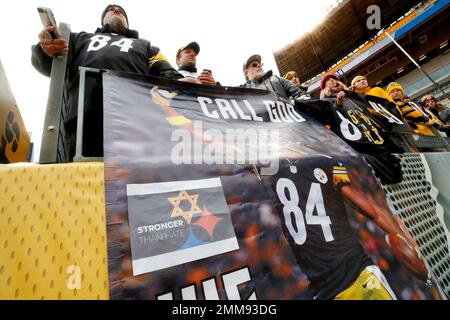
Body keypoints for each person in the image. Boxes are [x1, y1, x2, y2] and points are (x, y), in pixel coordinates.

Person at [269, 150, 430, 300]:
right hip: (358, 274)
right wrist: (397, 231)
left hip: (325, 291)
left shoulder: (271, 173)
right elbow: (366, 207)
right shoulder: (328, 161)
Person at [31, 4, 184, 159]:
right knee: (84, 177)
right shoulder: (79, 38)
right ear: (102, 20)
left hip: (135, 121)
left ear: (127, 22)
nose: (116, 10)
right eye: (111, 9)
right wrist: (45, 47)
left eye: (121, 11)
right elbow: (53, 62)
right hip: (85, 118)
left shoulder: (145, 46)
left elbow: (165, 70)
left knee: (132, 176)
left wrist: (185, 83)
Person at [299, 72, 403, 185]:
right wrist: (337, 105)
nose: (333, 81)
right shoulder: (326, 102)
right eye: (329, 80)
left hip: (374, 139)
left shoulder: (354, 97)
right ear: (324, 87)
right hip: (352, 147)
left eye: (335, 79)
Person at [241, 54, 307, 100]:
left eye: (260, 64)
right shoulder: (242, 92)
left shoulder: (276, 79)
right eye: (254, 65)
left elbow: (298, 93)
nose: (259, 66)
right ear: (246, 73)